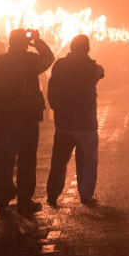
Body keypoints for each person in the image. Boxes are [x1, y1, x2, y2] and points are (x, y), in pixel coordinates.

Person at [0, 29, 55, 215]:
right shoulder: (31, 60)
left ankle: (2, 201)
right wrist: (37, 41)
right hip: (26, 118)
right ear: (24, 43)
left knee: (5, 162)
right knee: (27, 162)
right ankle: (24, 202)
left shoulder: (0, 61)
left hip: (5, 119)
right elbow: (49, 58)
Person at [46, 34, 105, 206]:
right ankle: (86, 195)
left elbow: (52, 87)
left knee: (59, 161)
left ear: (71, 47)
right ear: (87, 49)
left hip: (64, 121)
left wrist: (55, 107)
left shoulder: (60, 65)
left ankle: (52, 194)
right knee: (87, 161)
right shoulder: (91, 68)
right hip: (86, 122)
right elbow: (102, 71)